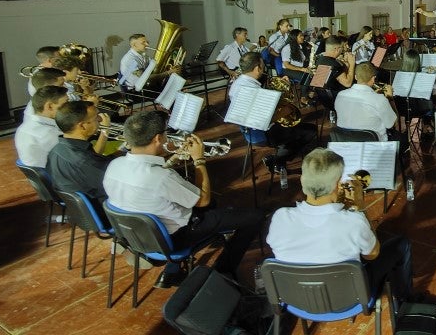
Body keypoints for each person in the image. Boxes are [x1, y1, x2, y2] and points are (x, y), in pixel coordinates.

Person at [104, 110, 265, 287]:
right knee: (254, 218)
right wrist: (199, 159)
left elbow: (149, 184)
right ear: (157, 138)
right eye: (166, 134)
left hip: (136, 235)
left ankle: (172, 272)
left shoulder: (114, 165)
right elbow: (202, 200)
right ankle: (223, 270)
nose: (167, 138)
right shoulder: (160, 177)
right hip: (174, 238)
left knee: (212, 205)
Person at [267, 148, 416, 303]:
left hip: (294, 298)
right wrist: (360, 209)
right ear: (337, 186)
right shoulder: (353, 221)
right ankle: (405, 300)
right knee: (401, 244)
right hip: (348, 299)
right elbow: (372, 254)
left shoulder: (280, 217)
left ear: (302, 180)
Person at [46, 100, 113, 203]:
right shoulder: (84, 161)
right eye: (96, 118)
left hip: (78, 209)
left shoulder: (55, 151)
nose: (100, 120)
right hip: (105, 208)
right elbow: (117, 182)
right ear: (82, 126)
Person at [334, 62, 398, 140]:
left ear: (355, 77)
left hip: (345, 143)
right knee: (403, 139)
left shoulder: (340, 95)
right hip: (373, 146)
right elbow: (393, 124)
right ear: (373, 78)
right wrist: (390, 98)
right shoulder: (380, 99)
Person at [14, 85, 68, 167]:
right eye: (65, 104)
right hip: (54, 174)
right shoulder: (49, 134)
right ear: (49, 106)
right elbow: (74, 158)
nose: (68, 107)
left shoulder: (24, 126)